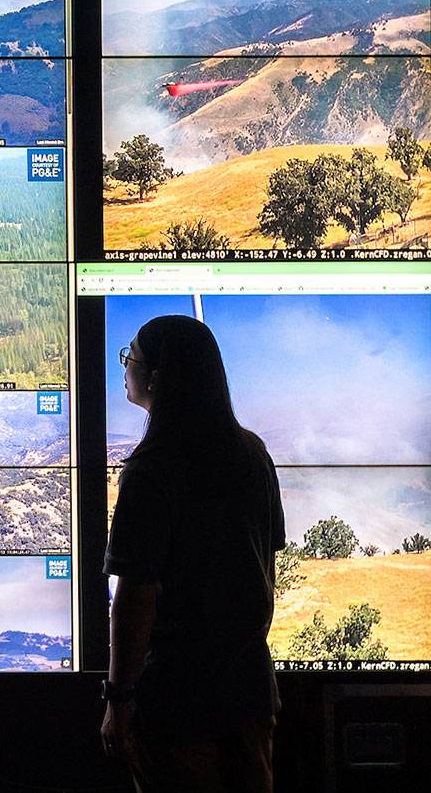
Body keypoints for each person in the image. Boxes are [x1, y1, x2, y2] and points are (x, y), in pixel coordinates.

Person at [101, 315, 285, 792]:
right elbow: (266, 562)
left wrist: (119, 701)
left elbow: (136, 594)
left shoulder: (151, 470)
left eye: (131, 359)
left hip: (175, 702)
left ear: (155, 378)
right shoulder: (253, 455)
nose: (125, 367)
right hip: (249, 695)